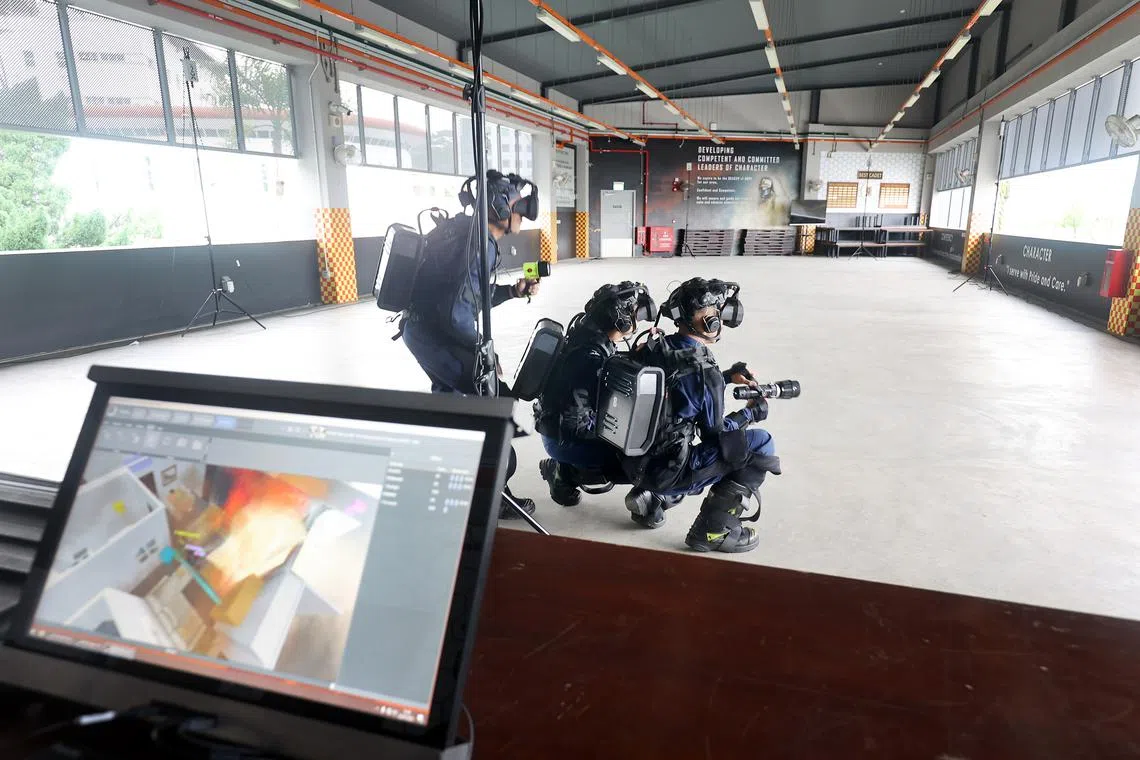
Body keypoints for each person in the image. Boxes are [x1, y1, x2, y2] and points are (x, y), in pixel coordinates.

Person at [401, 170, 540, 519]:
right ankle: (495, 498)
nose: (523, 217)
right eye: (519, 209)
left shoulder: (463, 231)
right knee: (499, 407)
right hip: (437, 336)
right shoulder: (479, 244)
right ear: (500, 209)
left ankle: (444, 480)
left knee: (448, 405)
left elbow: (467, 294)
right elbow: (456, 314)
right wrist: (483, 351)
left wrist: (512, 291)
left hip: (421, 331)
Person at [623, 277, 781, 553]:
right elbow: (717, 438)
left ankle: (653, 499)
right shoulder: (703, 373)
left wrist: (726, 377)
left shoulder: (656, 346)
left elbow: (678, 390)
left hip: (629, 462)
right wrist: (749, 414)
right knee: (760, 443)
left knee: (679, 440)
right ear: (711, 321)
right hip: (666, 471)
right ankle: (714, 531)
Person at [534, 282, 666, 523]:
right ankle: (648, 501)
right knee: (653, 450)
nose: (636, 322)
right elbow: (584, 418)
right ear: (620, 320)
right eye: (633, 315)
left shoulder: (586, 338)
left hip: (554, 431)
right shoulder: (590, 357)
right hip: (567, 440)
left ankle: (563, 474)